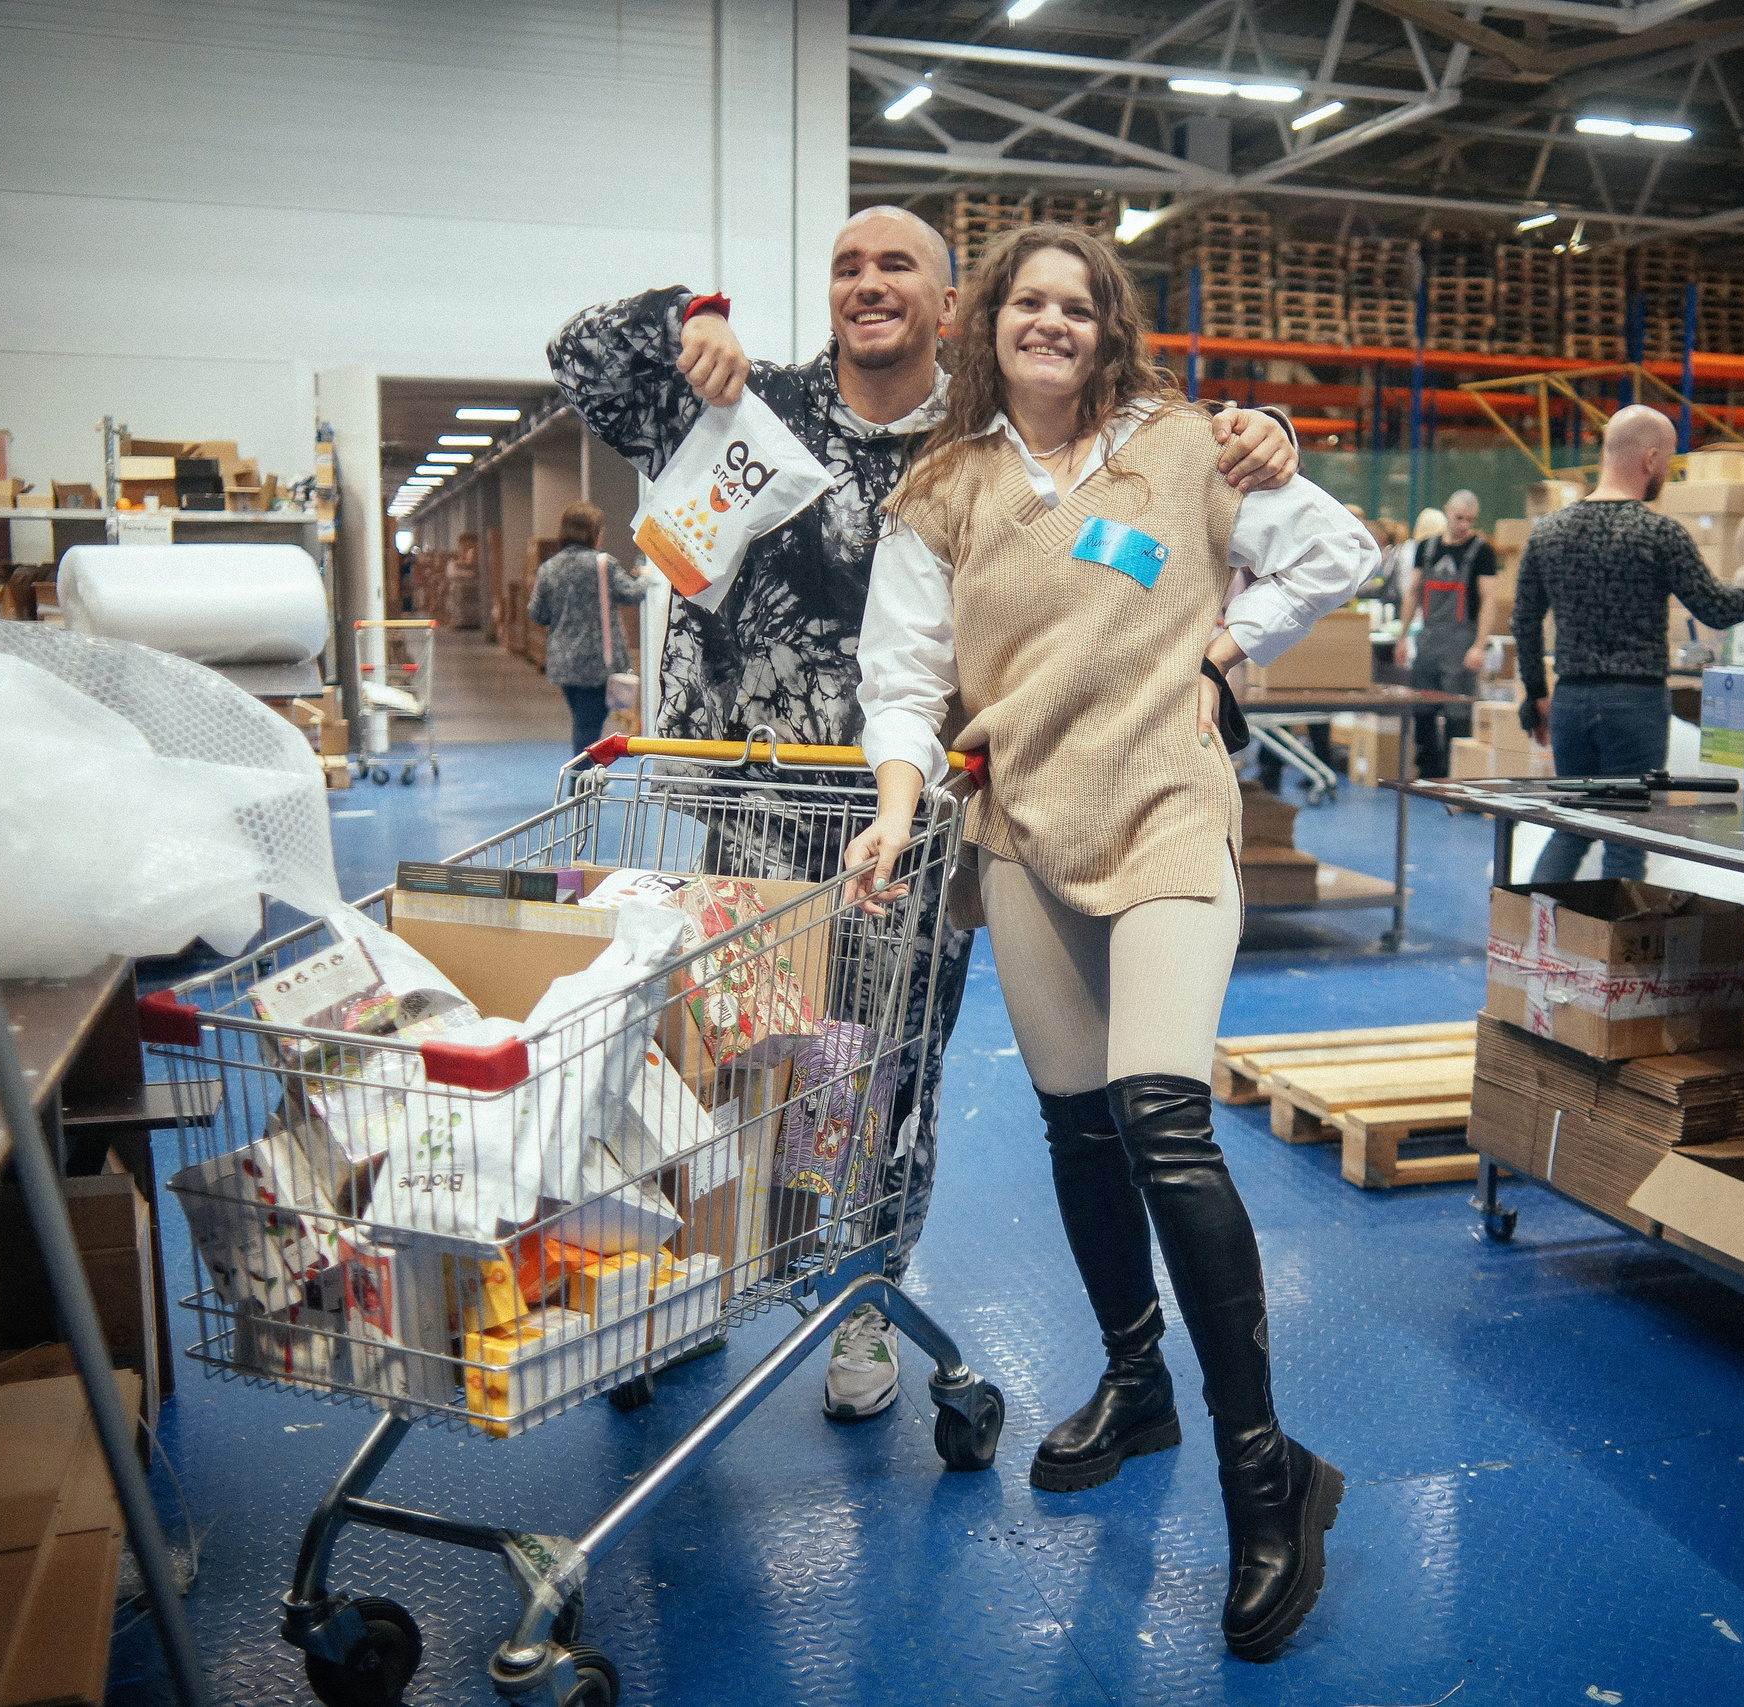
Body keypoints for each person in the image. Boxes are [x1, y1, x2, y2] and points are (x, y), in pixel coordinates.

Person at [549, 207, 1301, 1423]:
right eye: (847, 266)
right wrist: (686, 324)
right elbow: (580, 356)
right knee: (711, 1066)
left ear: (953, 306)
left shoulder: (988, 434)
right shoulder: (749, 407)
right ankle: (675, 1286)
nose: (867, 283)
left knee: (886, 1081)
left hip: (923, 821)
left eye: (898, 265)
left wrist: (1270, 433)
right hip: (747, 803)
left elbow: (1171, 470)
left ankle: (859, 1308)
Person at [846, 223, 1375, 1662]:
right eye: (1030, 301)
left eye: (1080, 306)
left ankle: (1268, 1469)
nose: (1054, 323)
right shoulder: (942, 488)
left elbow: (1341, 546)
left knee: (1162, 1115)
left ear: (1108, 328)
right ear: (990, 326)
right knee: (1077, 1125)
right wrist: (896, 807)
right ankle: (1134, 1379)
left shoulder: (1188, 445)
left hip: (1163, 809)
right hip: (1021, 828)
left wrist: (1231, 641)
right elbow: (901, 676)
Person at [1512, 406, 1744, 884]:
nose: (1666, 474)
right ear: (1649, 459)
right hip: (1635, 704)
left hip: (1571, 700)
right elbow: (1718, 608)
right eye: (1669, 463)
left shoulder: (1548, 532)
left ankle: (1537, 936)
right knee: (1627, 838)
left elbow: (1524, 621)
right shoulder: (1659, 533)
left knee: (1572, 828)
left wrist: (1537, 695)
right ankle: (1618, 956)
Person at [525, 501, 646, 753]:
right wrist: (647, 576)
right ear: (593, 532)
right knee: (588, 727)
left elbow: (537, 613)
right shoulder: (603, 564)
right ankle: (580, 782)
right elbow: (632, 594)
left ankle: (586, 779)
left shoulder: (549, 568)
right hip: (599, 662)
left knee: (584, 722)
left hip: (563, 662)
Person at [1395, 489, 1496, 778]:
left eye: (1471, 519)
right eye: (1459, 517)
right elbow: (1412, 593)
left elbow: (1489, 600)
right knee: (1422, 708)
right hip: (1427, 641)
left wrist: (1479, 645)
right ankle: (1427, 773)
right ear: (1447, 512)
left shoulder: (1481, 552)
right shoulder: (1426, 549)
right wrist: (1403, 637)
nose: (1464, 524)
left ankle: (1455, 776)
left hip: (1461, 643)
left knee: (1457, 713)